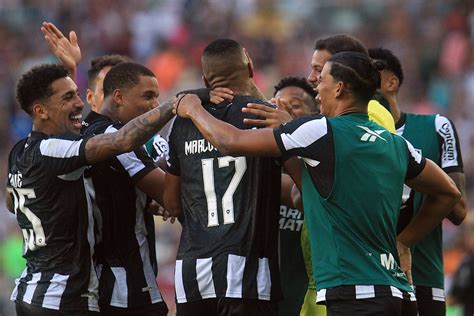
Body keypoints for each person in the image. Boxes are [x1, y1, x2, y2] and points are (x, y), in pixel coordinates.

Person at [173, 51, 461, 316]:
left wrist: (193, 108)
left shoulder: (320, 131)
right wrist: (403, 242)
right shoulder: (397, 144)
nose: (316, 88)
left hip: (353, 293)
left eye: (321, 80)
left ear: (339, 88)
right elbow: (448, 192)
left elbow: (231, 141)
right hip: (399, 294)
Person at [6, 63, 175, 316]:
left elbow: (11, 202)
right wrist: (177, 105)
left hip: (29, 292)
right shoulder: (55, 150)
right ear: (40, 110)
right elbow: (121, 140)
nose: (80, 103)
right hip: (64, 297)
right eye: (68, 97)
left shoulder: (19, 151)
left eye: (77, 93)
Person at [163, 39, 281, 316]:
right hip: (247, 271)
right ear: (251, 68)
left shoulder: (184, 121)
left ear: (205, 79)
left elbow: (171, 202)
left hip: (192, 272)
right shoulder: (263, 114)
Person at [369, 47, 467, 316]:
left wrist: (405, 240)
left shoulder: (436, 126)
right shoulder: (347, 134)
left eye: (371, 73)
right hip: (367, 281)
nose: (363, 80)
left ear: (392, 81)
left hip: (422, 278)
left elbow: (458, 210)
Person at [81, 62, 171, 315]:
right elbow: (170, 196)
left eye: (157, 97)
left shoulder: (81, 132)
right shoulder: (116, 137)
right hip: (128, 280)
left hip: (96, 279)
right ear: (118, 96)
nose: (155, 105)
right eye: (148, 96)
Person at [271, 77, 321, 316]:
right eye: (277, 105)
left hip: (311, 301)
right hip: (261, 301)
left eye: (295, 105)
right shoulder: (259, 162)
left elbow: (302, 192)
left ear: (317, 114)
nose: (284, 112)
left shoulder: (324, 163)